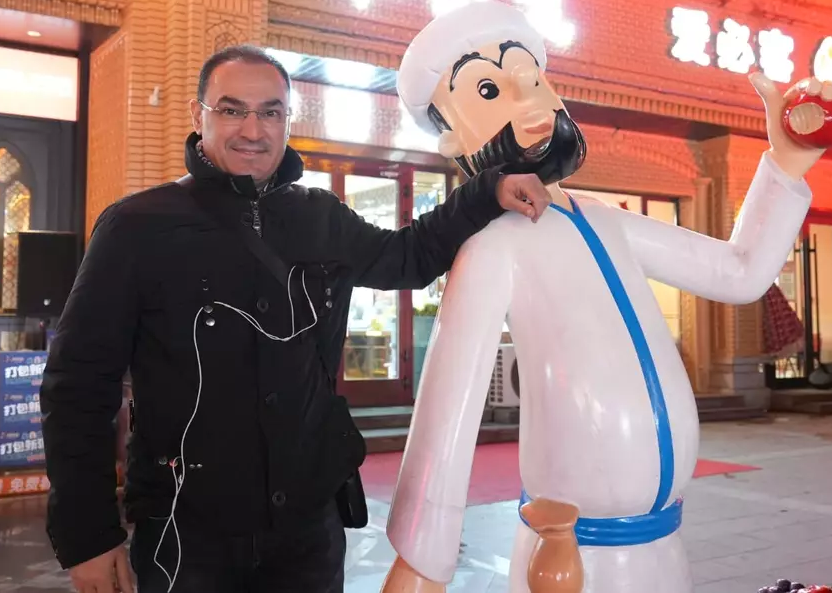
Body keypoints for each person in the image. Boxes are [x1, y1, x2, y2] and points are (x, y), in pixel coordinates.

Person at [377, 1, 832, 593]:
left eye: (532, 78)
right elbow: (447, 414)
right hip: (571, 559)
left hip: (662, 547)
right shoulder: (491, 246)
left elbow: (738, 272)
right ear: (452, 137)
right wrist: (421, 565)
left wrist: (786, 163)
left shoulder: (607, 220)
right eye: (489, 91)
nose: (528, 100)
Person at [40, 44, 553, 593]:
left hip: (308, 531)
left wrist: (487, 191)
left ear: (288, 120)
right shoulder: (137, 227)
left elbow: (409, 256)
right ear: (198, 115)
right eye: (231, 110)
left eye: (270, 112)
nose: (252, 130)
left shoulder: (320, 216)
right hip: (186, 535)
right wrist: (88, 535)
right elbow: (79, 383)